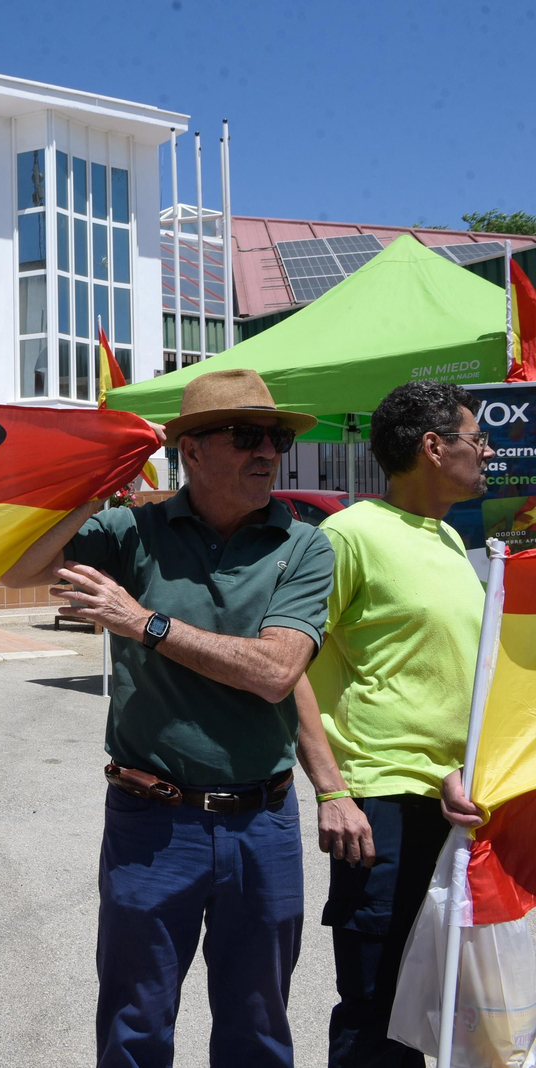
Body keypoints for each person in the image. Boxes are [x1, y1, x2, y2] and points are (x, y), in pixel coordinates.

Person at [1, 367, 334, 1068]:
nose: (268, 452)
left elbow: (276, 674)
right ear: (192, 450)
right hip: (152, 820)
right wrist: (96, 485)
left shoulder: (304, 545)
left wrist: (143, 622)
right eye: (247, 436)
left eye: (274, 437)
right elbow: (22, 568)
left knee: (257, 1027)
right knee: (135, 1022)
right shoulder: (133, 531)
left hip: (261, 825)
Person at [296, 380, 495, 1067]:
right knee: (378, 1013)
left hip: (458, 806)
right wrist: (332, 791)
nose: (488, 452)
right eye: (477, 439)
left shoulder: (447, 537)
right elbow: (286, 665)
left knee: (436, 1010)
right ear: (433, 448)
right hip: (383, 806)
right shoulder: (348, 535)